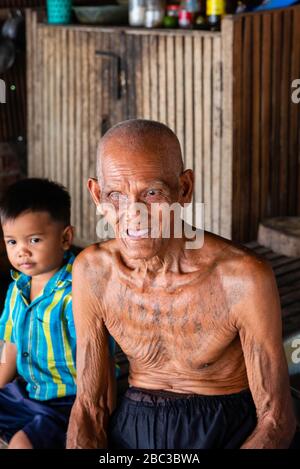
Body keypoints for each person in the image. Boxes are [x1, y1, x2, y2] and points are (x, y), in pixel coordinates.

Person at [67, 119, 296, 449]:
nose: (134, 214)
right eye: (116, 195)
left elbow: (276, 419)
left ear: (184, 188)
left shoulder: (241, 277)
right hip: (133, 425)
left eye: (152, 193)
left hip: (223, 429)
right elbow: (90, 407)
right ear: (97, 195)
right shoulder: (93, 272)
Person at [0, 178, 76, 449]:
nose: (22, 251)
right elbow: (9, 344)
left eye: (34, 239)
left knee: (23, 443)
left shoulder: (75, 291)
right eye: (12, 241)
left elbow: (96, 356)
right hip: (27, 391)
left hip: (68, 400)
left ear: (65, 238)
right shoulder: (16, 289)